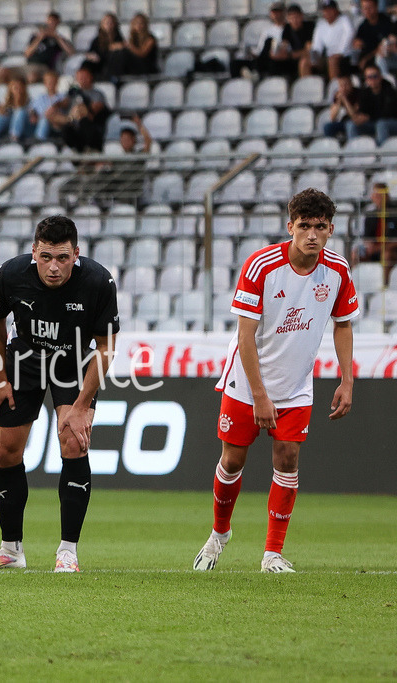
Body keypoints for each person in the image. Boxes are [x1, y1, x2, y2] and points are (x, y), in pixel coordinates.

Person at [193, 188, 358, 574]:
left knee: (288, 458)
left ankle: (272, 553)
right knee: (232, 460)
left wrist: (347, 380)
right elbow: (245, 337)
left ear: (331, 229)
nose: (313, 235)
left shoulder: (338, 271)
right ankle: (219, 534)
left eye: (320, 227)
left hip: (296, 384)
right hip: (246, 382)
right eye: (305, 226)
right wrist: (261, 396)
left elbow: (344, 325)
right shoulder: (261, 266)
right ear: (290, 227)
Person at [0, 215, 118, 573]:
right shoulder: (11, 274)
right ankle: (10, 549)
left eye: (63, 258)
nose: (54, 267)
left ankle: (67, 551)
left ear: (76, 254)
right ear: (34, 251)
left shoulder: (98, 282)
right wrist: (0, 376)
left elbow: (106, 346)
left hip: (74, 362)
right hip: (24, 358)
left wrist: (81, 406)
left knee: (74, 442)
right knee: (6, 449)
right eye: (46, 256)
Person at [46, 63, 110, 152]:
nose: (81, 79)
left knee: (83, 118)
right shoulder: (72, 93)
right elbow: (62, 105)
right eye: (79, 76)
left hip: (90, 128)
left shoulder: (97, 94)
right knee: (61, 122)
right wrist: (59, 106)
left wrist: (81, 110)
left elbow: (96, 108)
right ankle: (74, 149)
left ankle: (89, 149)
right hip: (73, 125)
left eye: (84, 76)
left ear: (90, 77)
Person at [343, 63, 397, 146]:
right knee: (351, 124)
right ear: (366, 79)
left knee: (381, 124)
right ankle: (354, 152)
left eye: (374, 76)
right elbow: (362, 110)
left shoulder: (389, 91)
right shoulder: (365, 92)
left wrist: (369, 117)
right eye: (369, 77)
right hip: (372, 122)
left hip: (391, 122)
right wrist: (359, 118)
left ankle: (381, 154)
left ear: (380, 77)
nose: (372, 79)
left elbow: (388, 113)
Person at [300, 0, 354, 81]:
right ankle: (308, 87)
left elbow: (350, 34)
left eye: (330, 9)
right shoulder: (321, 24)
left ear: (336, 10)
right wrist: (313, 56)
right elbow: (317, 46)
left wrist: (340, 52)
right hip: (327, 57)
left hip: (344, 56)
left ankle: (333, 88)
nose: (327, 12)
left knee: (332, 61)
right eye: (325, 10)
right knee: (304, 62)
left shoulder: (344, 20)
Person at [350, 182, 397, 273]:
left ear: (386, 196)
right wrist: (370, 246)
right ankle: (350, 282)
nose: (377, 198)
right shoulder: (370, 215)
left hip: (391, 250)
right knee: (355, 253)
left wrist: (380, 248)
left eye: (380, 195)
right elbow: (367, 237)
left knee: (386, 255)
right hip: (374, 249)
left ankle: (385, 285)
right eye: (375, 195)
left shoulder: (394, 213)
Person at [24, 12, 74, 83]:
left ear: (58, 23)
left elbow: (71, 53)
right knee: (4, 72)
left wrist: (57, 37)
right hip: (29, 66)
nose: (51, 24)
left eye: (54, 22)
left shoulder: (59, 40)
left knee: (32, 76)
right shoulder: (35, 37)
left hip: (44, 67)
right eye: (50, 21)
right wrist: (40, 37)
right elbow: (27, 54)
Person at [106, 12, 158, 78]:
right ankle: (113, 76)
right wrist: (119, 46)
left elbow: (142, 53)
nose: (139, 26)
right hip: (135, 66)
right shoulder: (133, 38)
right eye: (136, 23)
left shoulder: (150, 39)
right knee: (116, 53)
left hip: (146, 67)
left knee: (124, 53)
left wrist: (128, 46)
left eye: (141, 23)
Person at [352, 0, 395, 72]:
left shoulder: (386, 21)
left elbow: (383, 47)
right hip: (368, 57)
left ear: (376, 7)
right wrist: (357, 43)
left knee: (378, 59)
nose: (367, 11)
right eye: (365, 8)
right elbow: (358, 43)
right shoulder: (363, 26)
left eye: (370, 8)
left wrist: (366, 58)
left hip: (385, 56)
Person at [86, 12, 125, 80]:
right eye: (106, 22)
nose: (109, 25)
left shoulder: (118, 38)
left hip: (112, 66)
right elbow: (90, 53)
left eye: (111, 23)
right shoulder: (96, 40)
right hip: (98, 64)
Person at [322, 73, 359, 139]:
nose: (344, 88)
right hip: (343, 122)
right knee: (328, 127)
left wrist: (345, 100)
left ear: (351, 84)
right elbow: (332, 118)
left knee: (350, 125)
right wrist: (338, 102)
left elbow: (354, 115)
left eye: (346, 84)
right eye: (341, 85)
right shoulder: (337, 95)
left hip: (356, 123)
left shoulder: (358, 93)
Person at [27, 70, 62, 140]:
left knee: (45, 119)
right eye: (48, 81)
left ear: (57, 82)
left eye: (52, 81)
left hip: (55, 126)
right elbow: (31, 109)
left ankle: (39, 140)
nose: (50, 83)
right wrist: (33, 114)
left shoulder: (62, 96)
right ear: (45, 83)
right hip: (37, 124)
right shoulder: (40, 97)